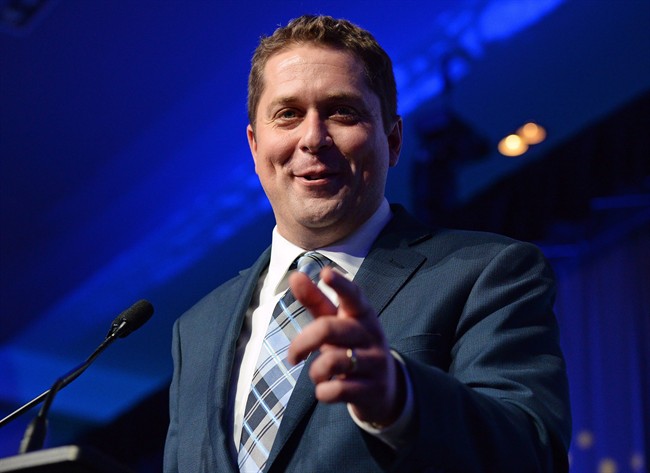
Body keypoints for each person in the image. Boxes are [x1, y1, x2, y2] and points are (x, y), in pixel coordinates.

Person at [163, 14, 571, 473]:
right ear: (256, 147)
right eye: (288, 114)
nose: (313, 138)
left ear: (392, 141)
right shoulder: (196, 331)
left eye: (342, 112)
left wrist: (401, 398)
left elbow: (531, 454)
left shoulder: (490, 273)